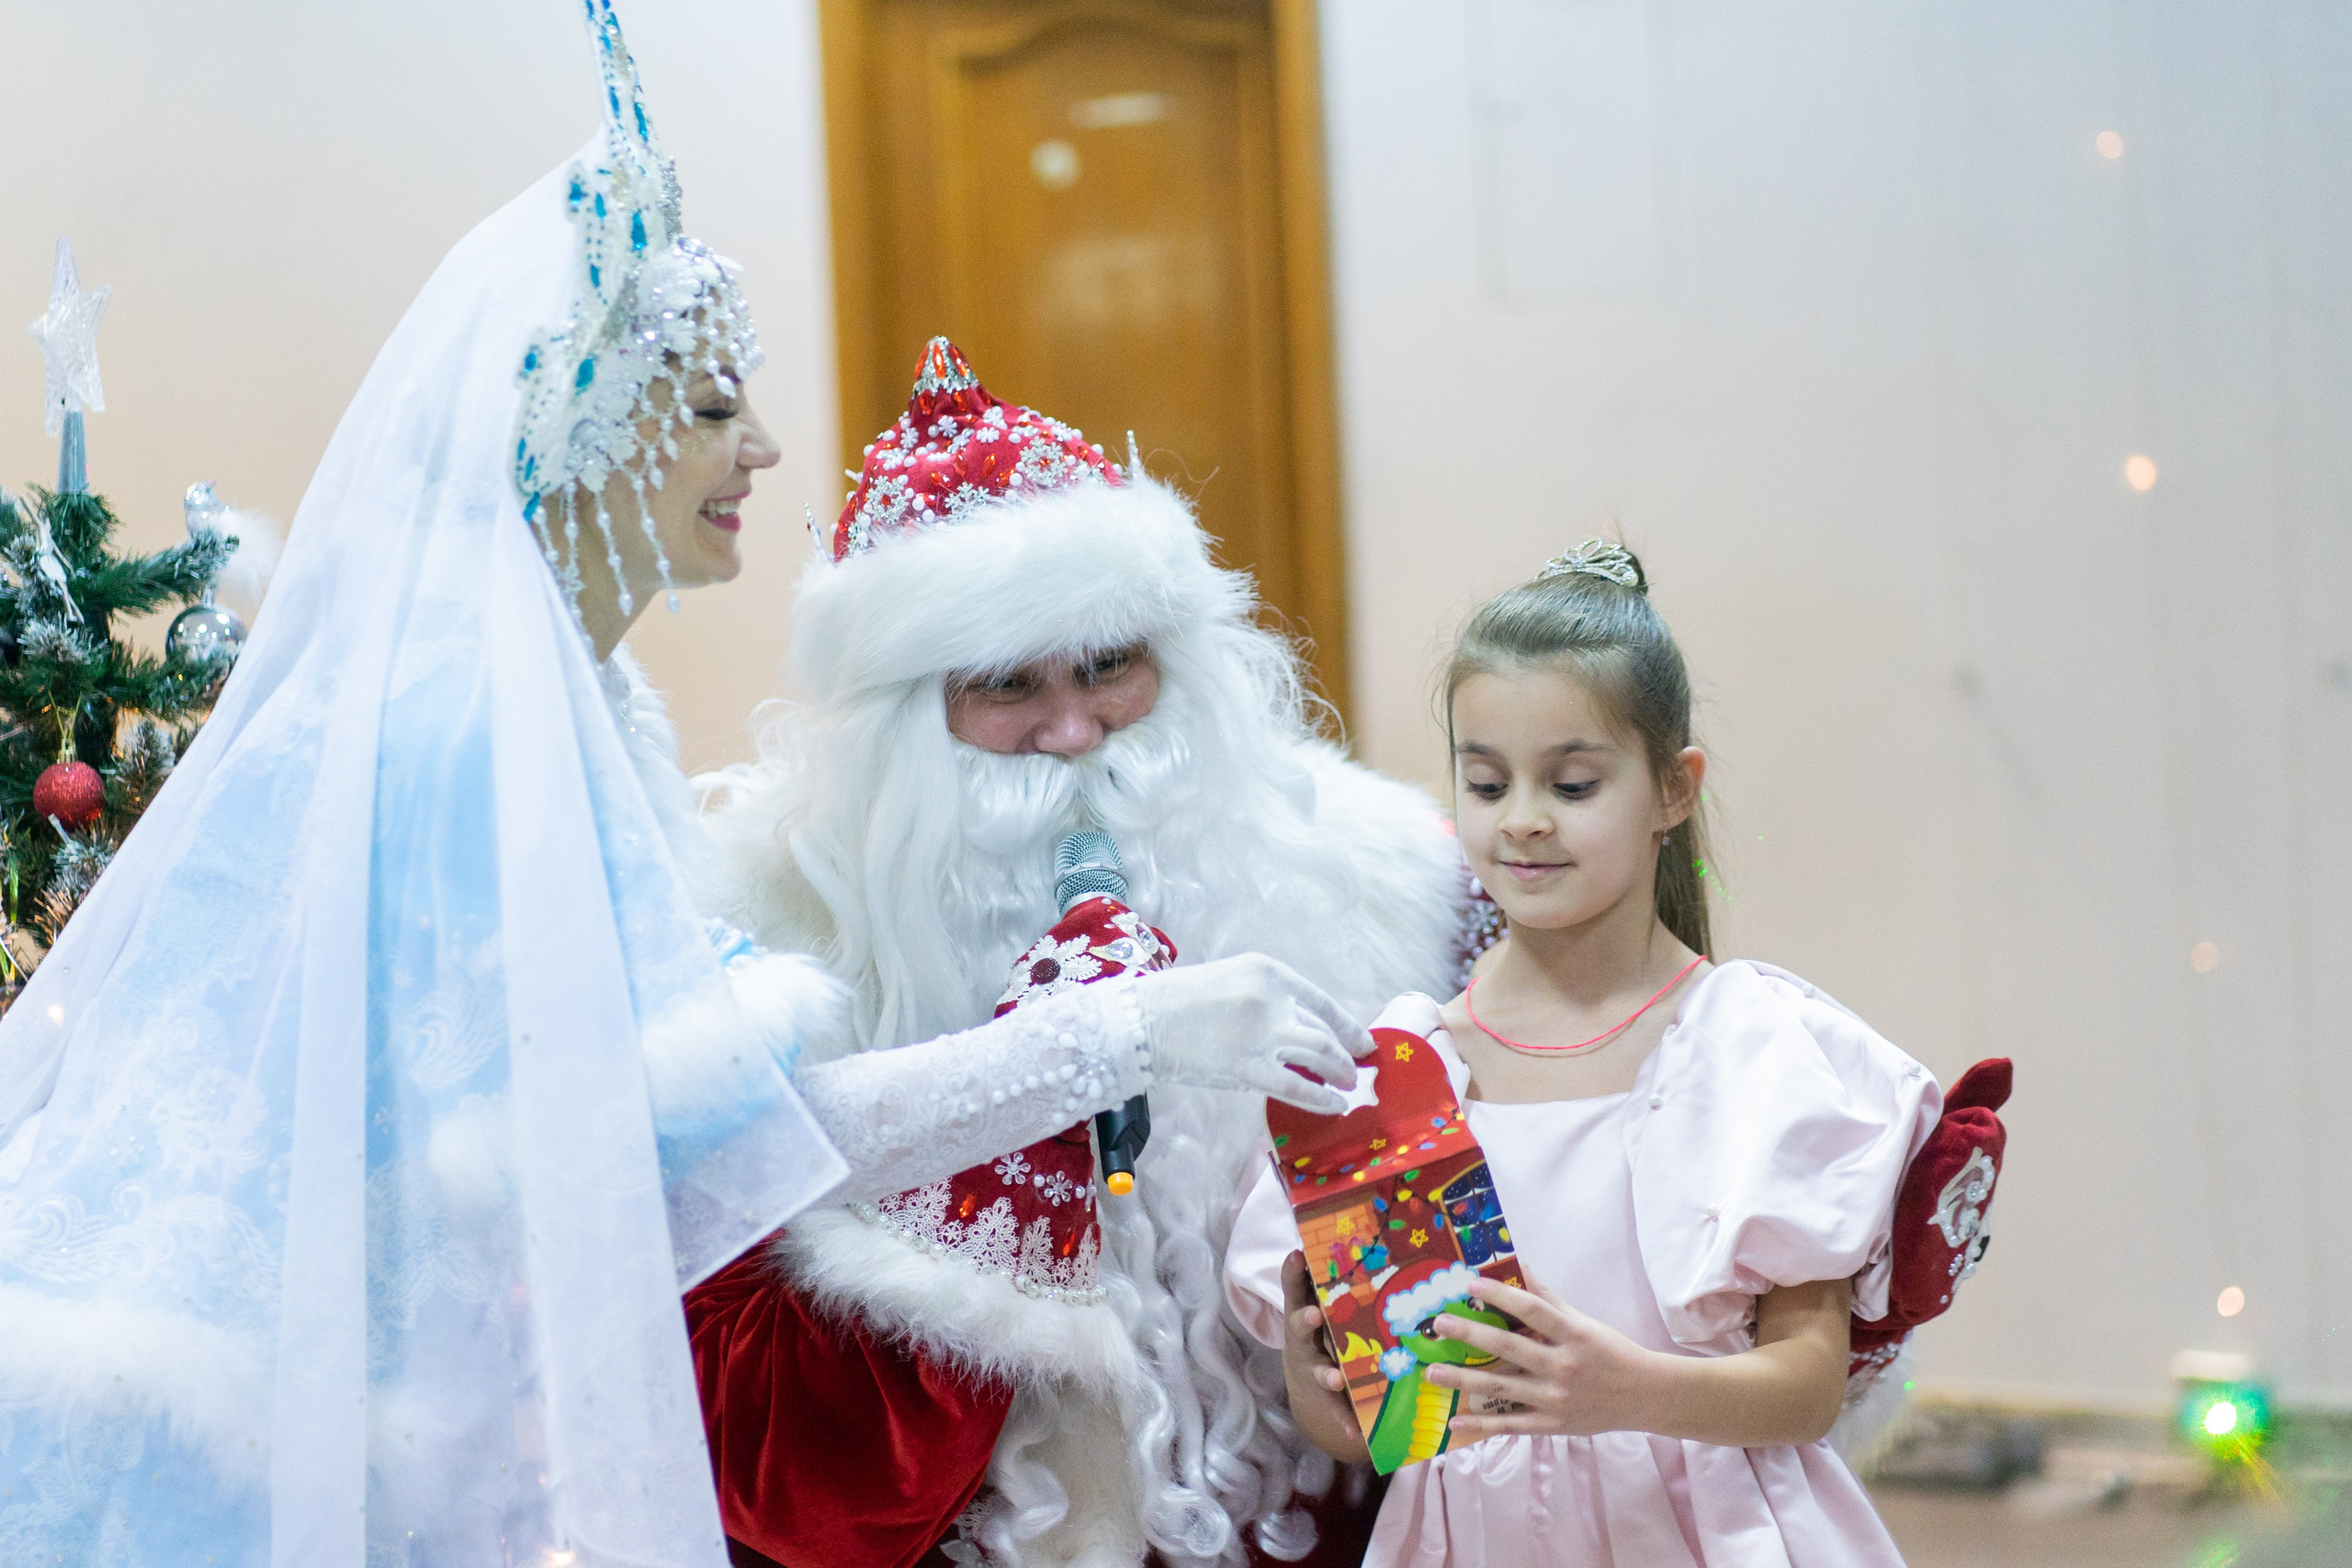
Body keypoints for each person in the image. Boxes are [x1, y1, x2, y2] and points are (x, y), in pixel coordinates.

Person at [0, 9, 1360, 1565]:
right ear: (577, 425)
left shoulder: (593, 700)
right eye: (711, 405)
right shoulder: (455, 727)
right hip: (294, 1424)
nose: (767, 447)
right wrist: (1114, 1035)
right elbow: (700, 1148)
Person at [684, 338, 1476, 1568]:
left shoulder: (1370, 879)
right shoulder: (773, 937)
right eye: (1006, 685)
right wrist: (1035, 1091)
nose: (1071, 728)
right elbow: (782, 1466)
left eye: (1111, 665)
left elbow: (1460, 1333)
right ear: (908, 713)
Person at [1225, 541, 1936, 1566]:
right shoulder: (1402, 1073)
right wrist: (1318, 1384)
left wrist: (1622, 1389)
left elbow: (1807, 1386)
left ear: (1673, 789)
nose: (1521, 821)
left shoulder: (1746, 1046)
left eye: (1569, 783)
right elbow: (1392, 1434)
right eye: (1485, 781)